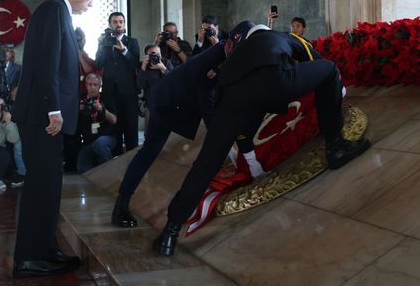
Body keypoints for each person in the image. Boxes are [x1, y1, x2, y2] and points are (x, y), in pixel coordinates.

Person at [152, 21, 371, 256]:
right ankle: (336, 147)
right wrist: (336, 90)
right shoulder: (282, 36)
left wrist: (248, 154)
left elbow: (242, 124)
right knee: (328, 69)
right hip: (276, 81)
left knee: (207, 162)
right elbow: (313, 57)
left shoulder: (235, 56)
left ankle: (170, 232)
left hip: (233, 97)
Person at [110, 42, 265, 227]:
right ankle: (121, 206)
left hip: (171, 102)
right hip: (167, 105)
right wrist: (226, 147)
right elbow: (207, 103)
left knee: (147, 153)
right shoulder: (212, 61)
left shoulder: (221, 55)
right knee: (148, 153)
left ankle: (121, 205)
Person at [12, 0, 98, 278]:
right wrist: (52, 110)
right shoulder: (52, 10)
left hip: (45, 115)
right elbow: (45, 62)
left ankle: (45, 251)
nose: (91, 3)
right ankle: (30, 258)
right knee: (40, 188)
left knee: (50, 187)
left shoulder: (60, 12)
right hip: (41, 116)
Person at [95, 12, 140, 153]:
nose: (118, 24)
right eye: (115, 22)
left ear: (124, 24)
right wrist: (100, 46)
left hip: (128, 93)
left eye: (121, 21)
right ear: (110, 25)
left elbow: (135, 65)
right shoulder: (105, 42)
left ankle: (132, 161)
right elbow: (98, 65)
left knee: (131, 128)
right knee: (114, 129)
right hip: (110, 93)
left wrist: (124, 50)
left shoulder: (132, 42)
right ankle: (115, 164)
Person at [64, 27, 96, 172]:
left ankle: (83, 163)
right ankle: (70, 164)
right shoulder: (65, 55)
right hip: (70, 99)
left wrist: (78, 53)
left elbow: (90, 72)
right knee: (71, 133)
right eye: (76, 38)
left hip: (86, 97)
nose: (79, 41)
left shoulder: (86, 56)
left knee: (87, 132)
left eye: (80, 38)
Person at [76, 74, 118, 173]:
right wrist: (77, 110)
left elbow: (114, 120)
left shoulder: (106, 98)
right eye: (90, 84)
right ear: (86, 86)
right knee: (82, 168)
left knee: (99, 144)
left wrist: (102, 109)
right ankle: (100, 166)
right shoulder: (80, 99)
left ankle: (111, 171)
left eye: (95, 85)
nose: (92, 88)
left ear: (100, 86)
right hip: (88, 141)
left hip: (107, 138)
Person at [137, 44, 173, 121]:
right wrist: (143, 68)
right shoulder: (142, 65)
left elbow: (173, 81)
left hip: (166, 102)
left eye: (158, 54)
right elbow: (139, 86)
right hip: (151, 103)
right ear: (146, 56)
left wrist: (163, 69)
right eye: (153, 54)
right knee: (150, 130)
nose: (156, 56)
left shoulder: (166, 62)